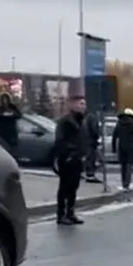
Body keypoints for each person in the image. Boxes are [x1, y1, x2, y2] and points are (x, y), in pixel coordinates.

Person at [54, 96, 88, 225]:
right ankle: (61, 214)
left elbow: (82, 139)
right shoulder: (66, 121)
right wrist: (68, 154)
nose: (83, 106)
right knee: (65, 187)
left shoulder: (80, 121)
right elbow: (60, 140)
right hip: (68, 159)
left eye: (84, 104)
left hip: (77, 159)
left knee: (74, 187)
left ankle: (71, 212)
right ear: (73, 106)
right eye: (81, 104)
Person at [112, 108, 133, 191]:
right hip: (131, 148)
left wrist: (114, 149)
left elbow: (114, 137)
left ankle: (123, 184)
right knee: (129, 167)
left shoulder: (118, 124)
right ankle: (127, 185)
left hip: (121, 148)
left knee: (123, 167)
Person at [0, 93, 21, 160]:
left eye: (6, 99)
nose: (5, 101)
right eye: (3, 99)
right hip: (2, 132)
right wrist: (3, 115)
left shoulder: (13, 107)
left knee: (13, 149)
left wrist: (12, 114)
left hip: (12, 132)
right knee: (3, 148)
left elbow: (19, 115)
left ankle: (13, 160)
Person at [83, 111, 101, 183]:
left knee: (89, 158)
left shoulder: (86, 118)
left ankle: (89, 175)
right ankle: (90, 176)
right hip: (91, 141)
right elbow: (94, 130)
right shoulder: (92, 118)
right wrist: (97, 135)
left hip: (86, 141)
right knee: (91, 158)